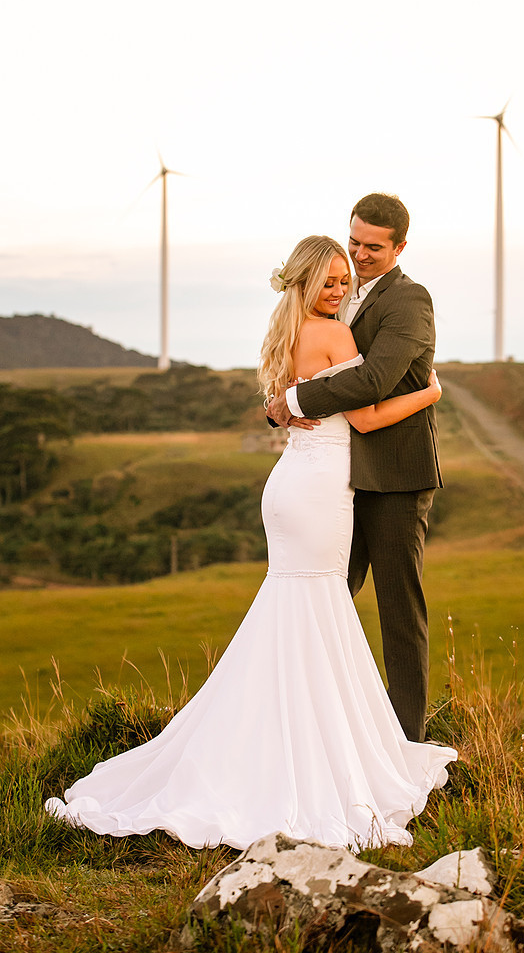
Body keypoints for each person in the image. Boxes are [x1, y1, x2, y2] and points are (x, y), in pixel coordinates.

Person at [45, 235, 456, 853]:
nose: (339, 291)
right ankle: (312, 752)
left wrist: (283, 405)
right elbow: (368, 414)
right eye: (330, 280)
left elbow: (289, 401)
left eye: (345, 281)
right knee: (316, 607)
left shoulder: (286, 329)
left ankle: (279, 738)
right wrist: (431, 393)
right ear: (305, 280)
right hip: (319, 488)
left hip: (292, 484)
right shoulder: (336, 335)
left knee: (296, 612)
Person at [267, 194, 440, 743]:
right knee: (325, 597)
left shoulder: (409, 301)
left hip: (392, 475)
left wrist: (295, 402)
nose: (359, 255)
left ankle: (404, 738)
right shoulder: (333, 294)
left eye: (373, 247)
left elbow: (371, 383)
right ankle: (319, 726)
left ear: (399, 247)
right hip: (335, 478)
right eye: (355, 241)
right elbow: (305, 364)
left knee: (397, 605)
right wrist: (283, 406)